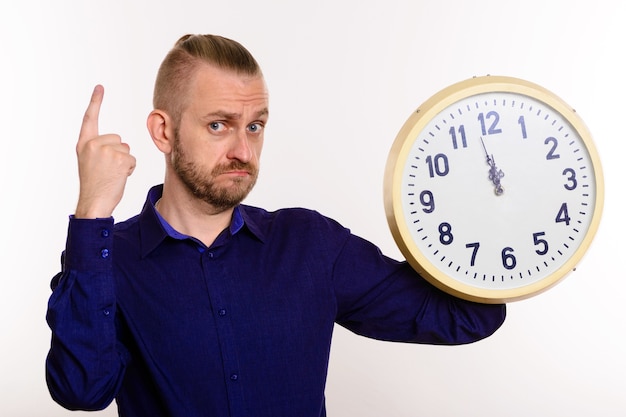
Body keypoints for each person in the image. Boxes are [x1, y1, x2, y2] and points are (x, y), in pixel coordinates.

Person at [46, 34, 506, 417]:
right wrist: (92, 213)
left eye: (255, 126)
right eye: (219, 125)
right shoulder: (109, 260)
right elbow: (81, 390)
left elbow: (467, 315)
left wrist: (491, 203)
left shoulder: (311, 246)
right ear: (163, 132)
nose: (243, 151)